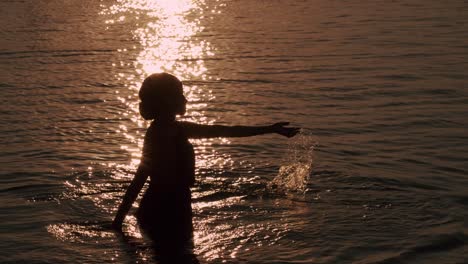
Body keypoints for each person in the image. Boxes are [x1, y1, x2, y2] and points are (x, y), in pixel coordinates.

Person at [112, 73, 299, 261]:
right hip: (165, 210)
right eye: (180, 94)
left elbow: (223, 130)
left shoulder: (175, 129)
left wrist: (270, 129)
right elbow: (140, 177)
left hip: (171, 206)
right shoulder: (163, 132)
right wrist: (118, 221)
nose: (185, 99)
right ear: (167, 100)